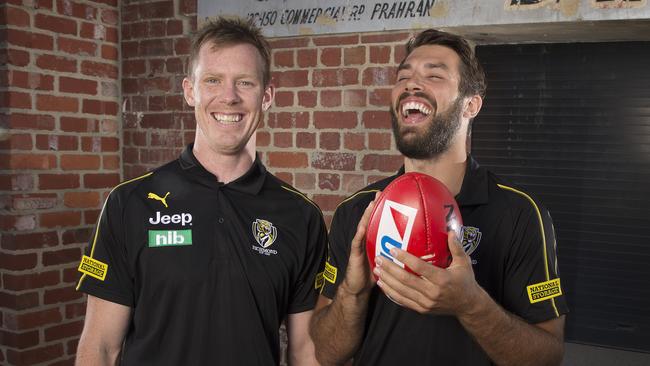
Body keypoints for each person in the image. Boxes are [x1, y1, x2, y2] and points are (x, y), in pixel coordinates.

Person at [75, 17, 326, 365]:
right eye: (212, 80)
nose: (229, 97)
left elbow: (305, 353)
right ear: (189, 90)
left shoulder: (301, 215)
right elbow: (100, 347)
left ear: (267, 96)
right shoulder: (128, 203)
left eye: (245, 82)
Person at [310, 29, 568, 366]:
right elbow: (326, 354)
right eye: (404, 76)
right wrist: (353, 292)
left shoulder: (520, 214)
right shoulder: (359, 210)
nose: (412, 85)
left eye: (434, 75)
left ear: (471, 104)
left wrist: (470, 304)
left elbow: (546, 356)